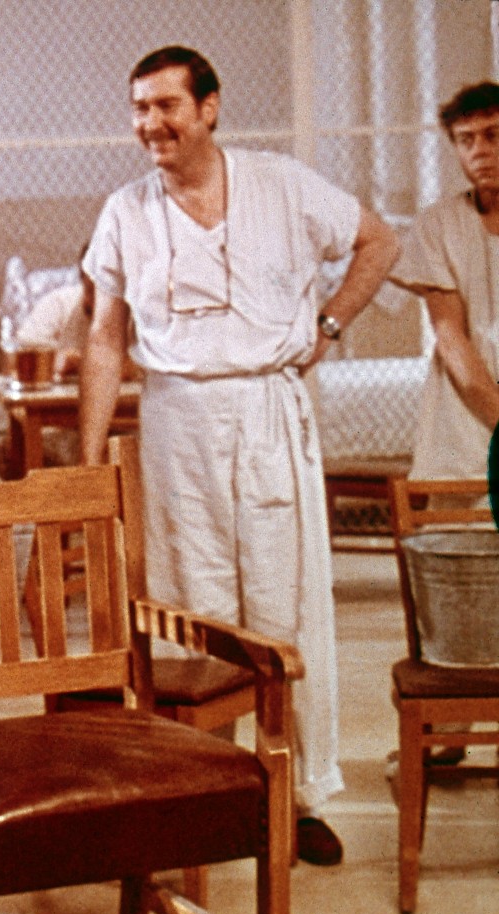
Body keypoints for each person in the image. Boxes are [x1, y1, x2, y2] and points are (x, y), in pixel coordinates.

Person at [78, 47, 400, 866]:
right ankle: (207, 794)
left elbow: (379, 242)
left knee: (287, 607)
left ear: (209, 107)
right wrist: (87, 465)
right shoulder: (126, 211)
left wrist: (328, 326)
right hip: (177, 420)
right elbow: (106, 338)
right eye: (139, 108)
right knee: (192, 605)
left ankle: (300, 795)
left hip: (267, 411)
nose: (150, 124)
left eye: (166, 106)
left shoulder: (282, 185)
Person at [390, 81, 499, 480]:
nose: (479, 151)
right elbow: (451, 339)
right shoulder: (439, 225)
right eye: (466, 140)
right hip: (466, 408)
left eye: (493, 135)